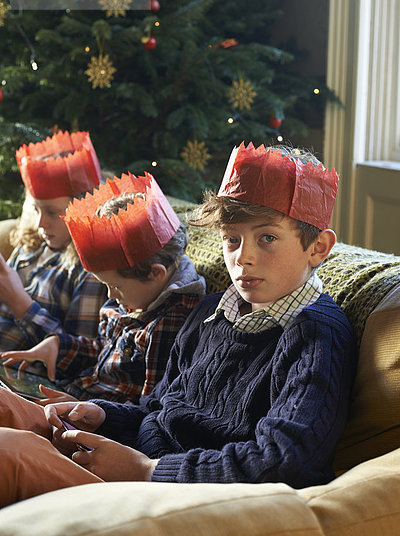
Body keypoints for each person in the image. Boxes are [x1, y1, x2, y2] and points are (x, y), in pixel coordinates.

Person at [0, 142, 357, 507]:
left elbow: (285, 460)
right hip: (137, 460)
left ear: (317, 248)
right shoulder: (211, 311)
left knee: (10, 452)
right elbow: (157, 407)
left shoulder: (315, 334)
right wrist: (102, 416)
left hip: (179, 494)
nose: (243, 257)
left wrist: (147, 470)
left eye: (267, 238)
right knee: (4, 402)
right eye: (232, 239)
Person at [1, 172, 205, 402]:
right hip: (75, 393)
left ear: (156, 273)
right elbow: (104, 353)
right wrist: (60, 346)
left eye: (115, 286)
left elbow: (149, 407)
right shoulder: (137, 295)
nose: (109, 295)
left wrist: (83, 409)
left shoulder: (170, 323)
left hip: (96, 416)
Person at [0, 130, 107, 354]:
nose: (40, 223)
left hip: (18, 375)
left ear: (85, 211)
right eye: (36, 209)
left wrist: (21, 305)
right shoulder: (31, 244)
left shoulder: (91, 270)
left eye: (51, 212)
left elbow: (79, 356)